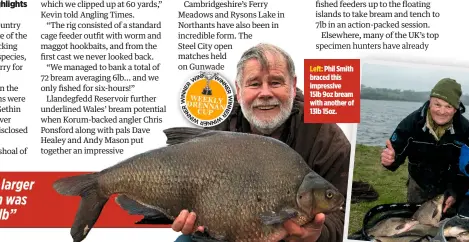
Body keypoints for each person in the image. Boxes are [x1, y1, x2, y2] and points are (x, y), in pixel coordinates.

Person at [171, 43, 351, 242]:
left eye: (275, 83)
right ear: (239, 91)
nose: (265, 93)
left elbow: (344, 211)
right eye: (254, 84)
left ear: (292, 86)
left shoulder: (326, 136)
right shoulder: (218, 127)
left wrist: (317, 234)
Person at [381, 78, 469, 214]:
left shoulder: (465, 129)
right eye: (437, 104)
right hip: (418, 183)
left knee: (446, 224)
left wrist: (455, 191)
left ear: (456, 108)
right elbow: (395, 153)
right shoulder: (411, 123)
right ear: (430, 102)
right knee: (416, 221)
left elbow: (465, 168)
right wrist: (391, 160)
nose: (441, 111)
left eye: (448, 106)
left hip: (449, 186)